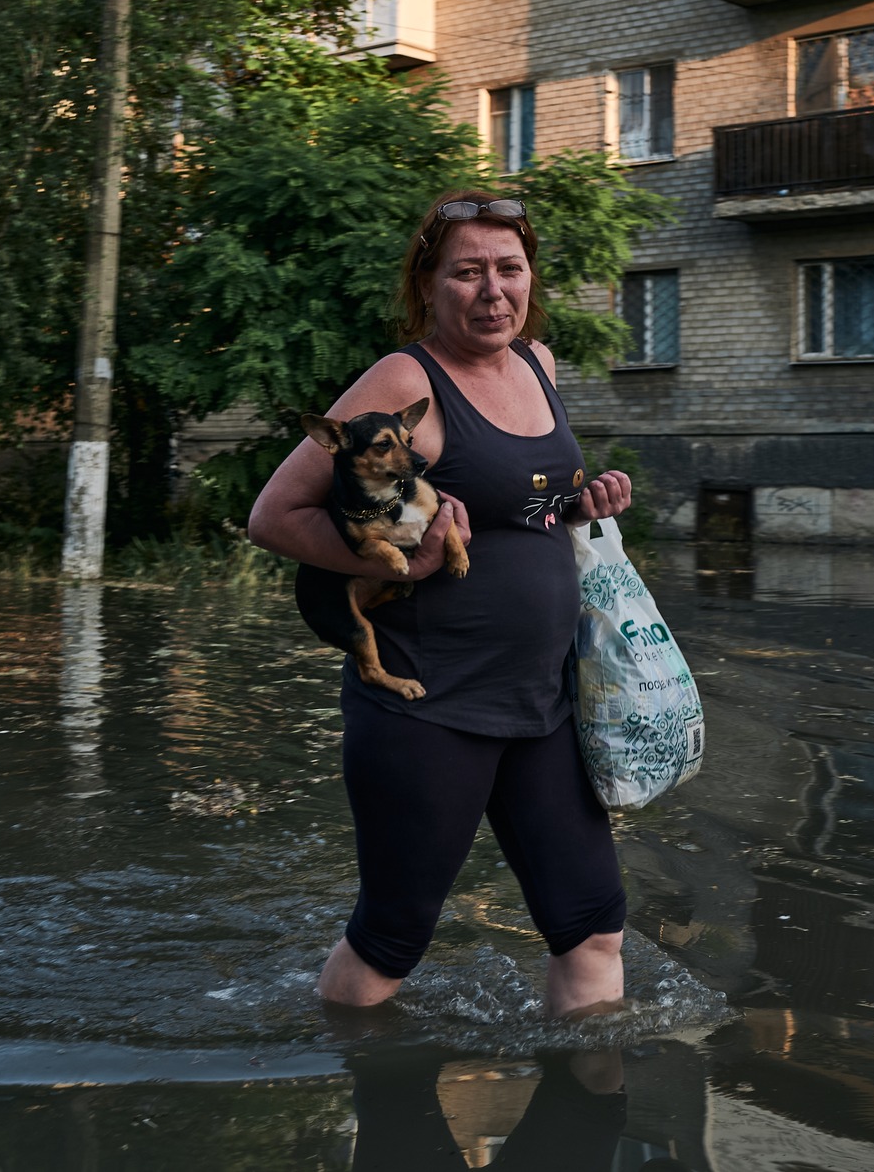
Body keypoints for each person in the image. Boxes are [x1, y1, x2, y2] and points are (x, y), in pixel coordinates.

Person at [248, 189, 634, 1015]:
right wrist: (411, 566)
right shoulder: (404, 379)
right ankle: (358, 1079)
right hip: (433, 706)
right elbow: (275, 516)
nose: (493, 291)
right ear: (427, 284)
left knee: (593, 925)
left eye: (509, 268)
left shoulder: (539, 363)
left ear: (531, 277)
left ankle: (589, 1112)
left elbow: (519, 508)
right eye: (467, 272)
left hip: (544, 703)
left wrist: (583, 503)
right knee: (392, 939)